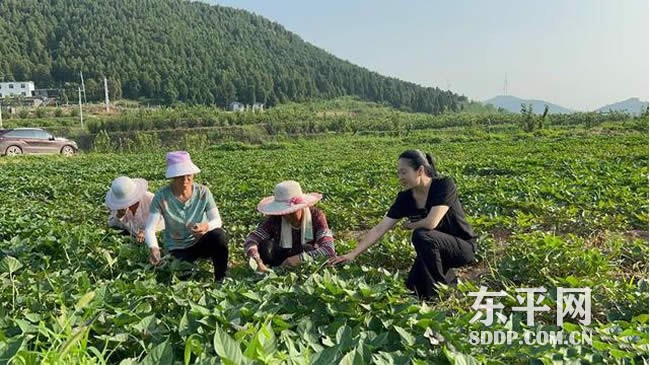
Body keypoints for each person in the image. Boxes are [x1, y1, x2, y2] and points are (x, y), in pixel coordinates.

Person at [329, 150, 477, 299]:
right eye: (398, 173)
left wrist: (410, 225)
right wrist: (353, 254)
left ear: (420, 170)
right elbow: (380, 228)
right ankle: (448, 280)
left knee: (421, 234)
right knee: (412, 288)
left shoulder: (443, 185)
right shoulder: (405, 198)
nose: (400, 178)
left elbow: (431, 222)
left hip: (462, 248)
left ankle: (439, 294)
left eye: (404, 172)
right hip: (433, 251)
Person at [143, 151, 229, 282]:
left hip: (200, 241)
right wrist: (154, 247)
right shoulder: (161, 197)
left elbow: (217, 220)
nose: (185, 180)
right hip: (177, 247)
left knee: (219, 236)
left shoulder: (203, 192)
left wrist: (206, 226)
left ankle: (220, 277)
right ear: (172, 177)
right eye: (180, 176)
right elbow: (149, 228)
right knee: (184, 275)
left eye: (188, 175)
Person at [245, 180, 335, 272]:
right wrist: (257, 261)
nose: (287, 216)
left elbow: (328, 250)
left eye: (292, 212)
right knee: (266, 247)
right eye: (284, 213)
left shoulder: (316, 216)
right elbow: (252, 239)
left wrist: (299, 259)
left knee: (308, 249)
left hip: (307, 257)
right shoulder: (276, 218)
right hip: (281, 255)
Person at [106, 176, 164, 243]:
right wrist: (119, 215)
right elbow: (112, 224)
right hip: (133, 240)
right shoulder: (119, 206)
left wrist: (146, 232)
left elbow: (165, 220)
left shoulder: (150, 199)